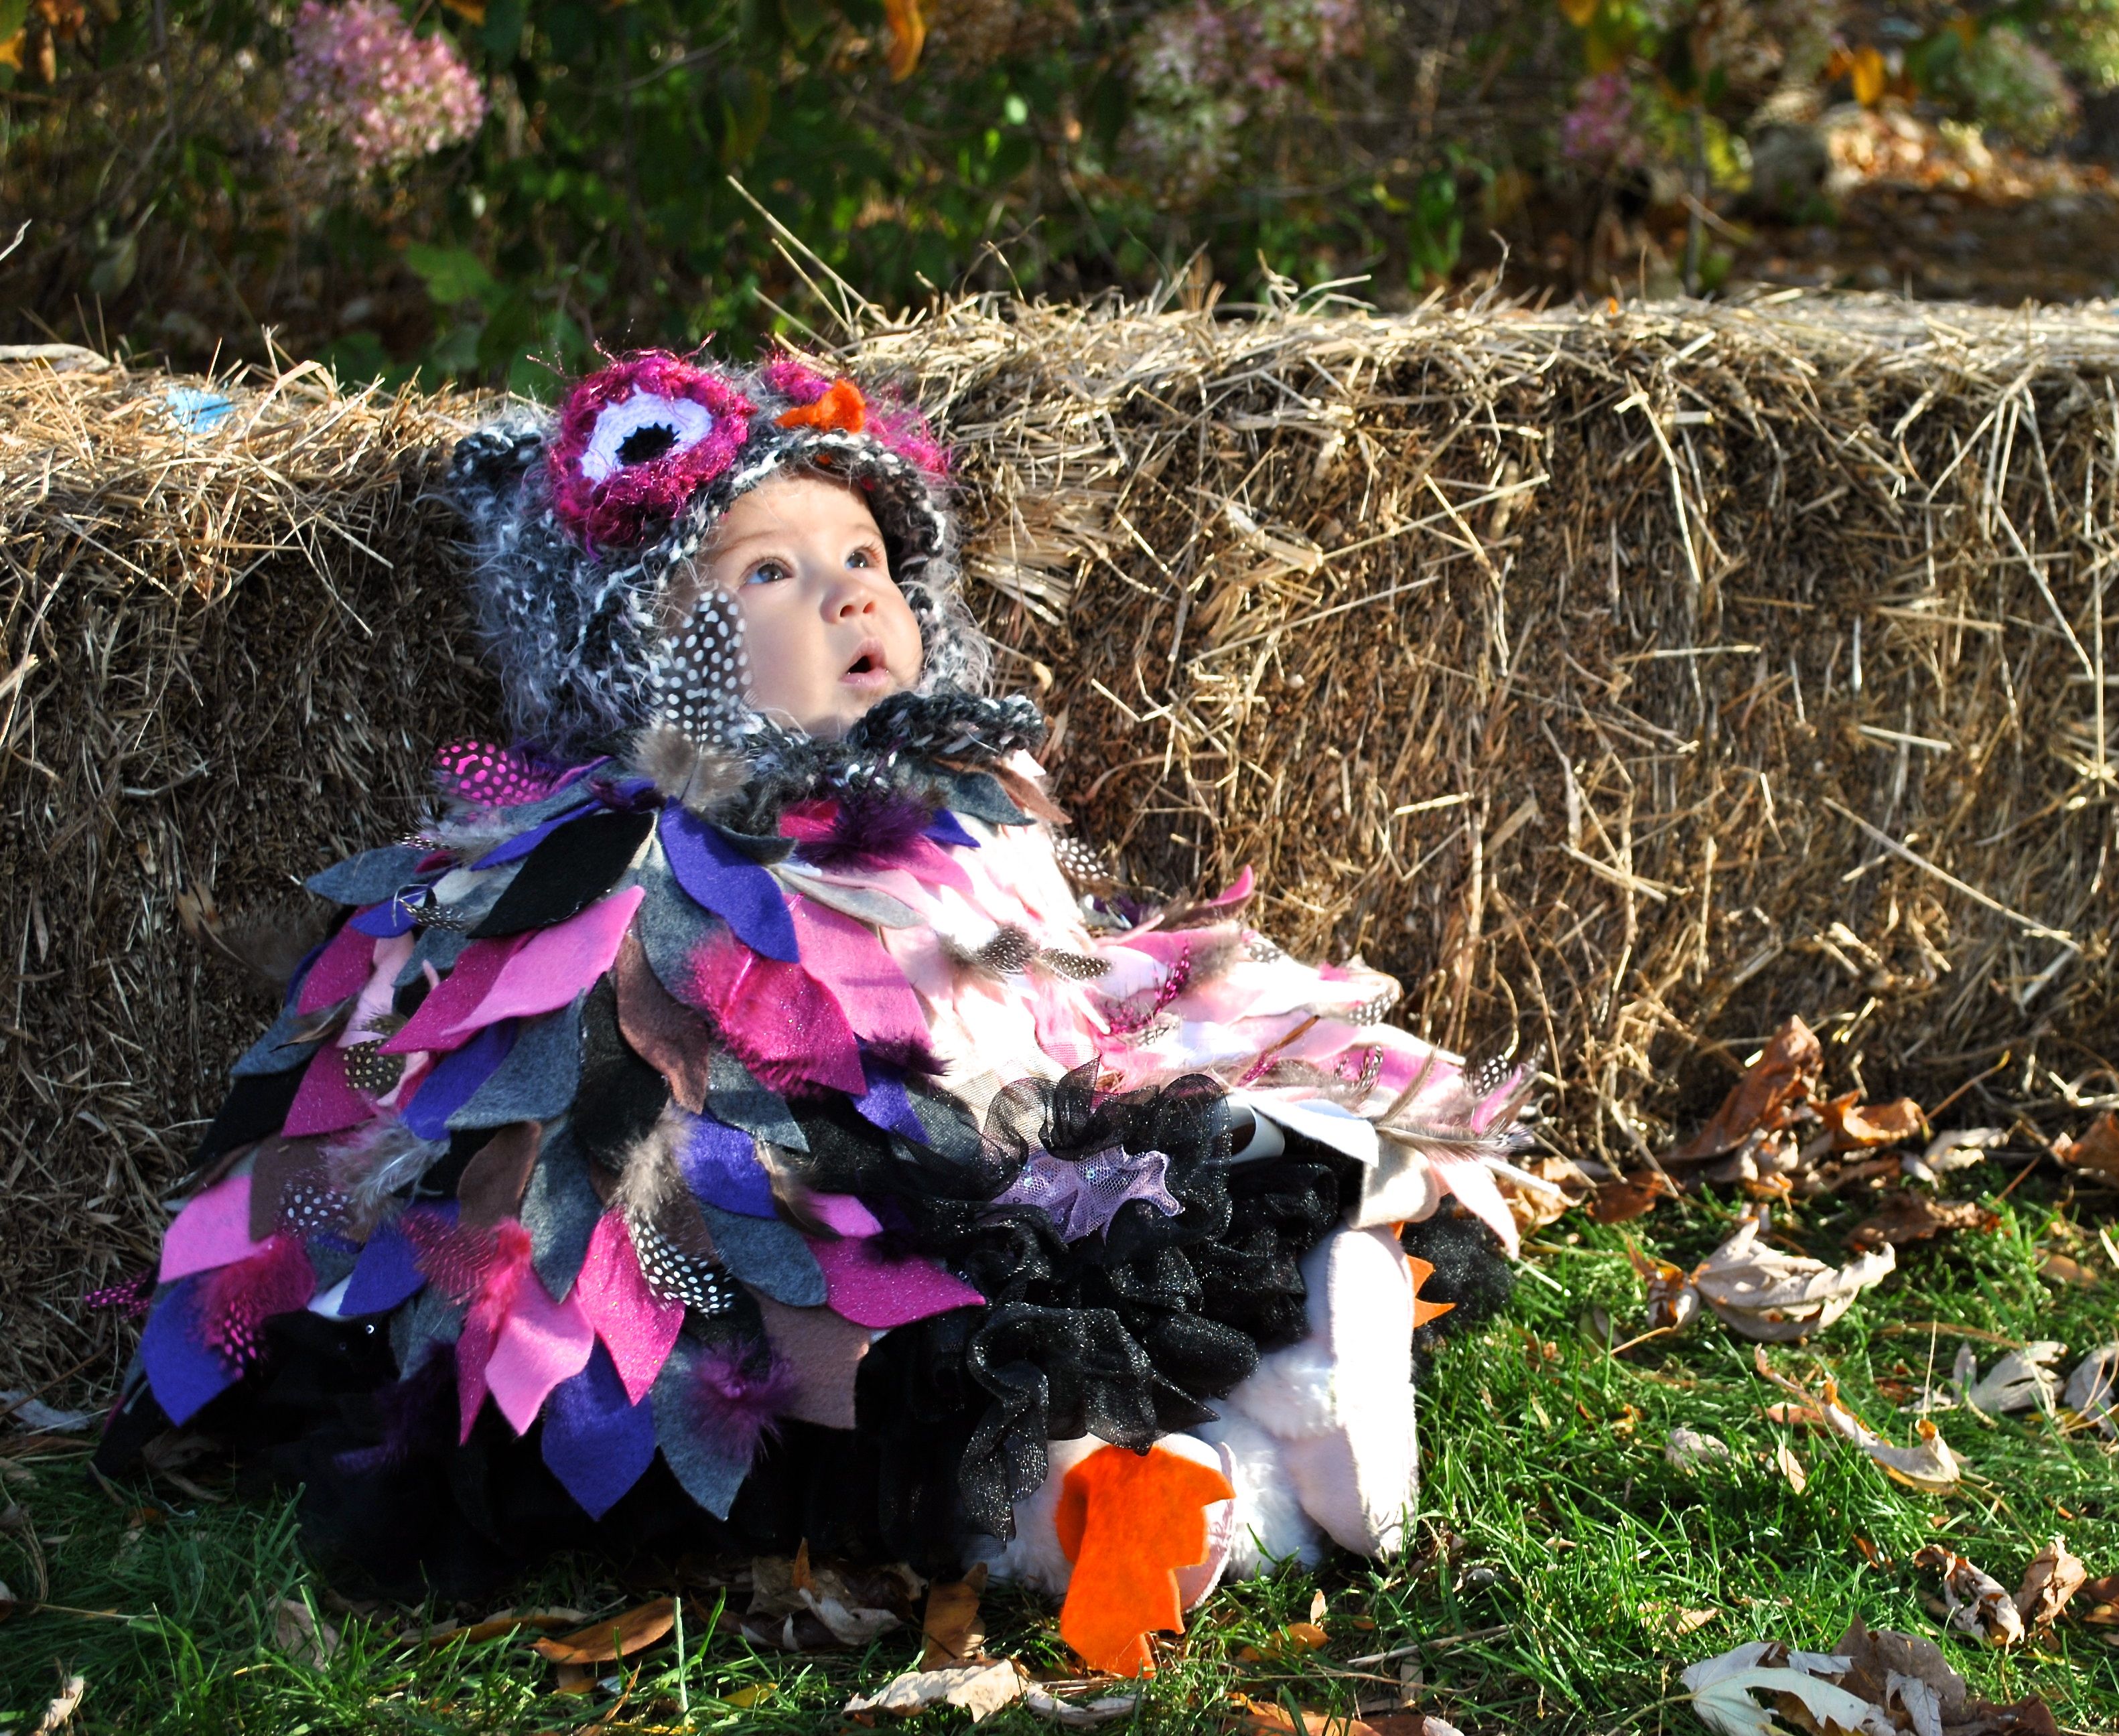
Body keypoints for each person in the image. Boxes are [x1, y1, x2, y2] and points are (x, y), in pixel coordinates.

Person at [95, 352, 1533, 1676]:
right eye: (770, 574)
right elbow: (606, 1123)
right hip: (804, 1214)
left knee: (1254, 1158)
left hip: (1019, 1152)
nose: (848, 595)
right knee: (892, 1370)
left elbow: (1075, 994)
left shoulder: (965, 815)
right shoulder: (619, 860)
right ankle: (1180, 1486)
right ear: (638, 659)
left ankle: (1304, 1380)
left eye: (864, 559)